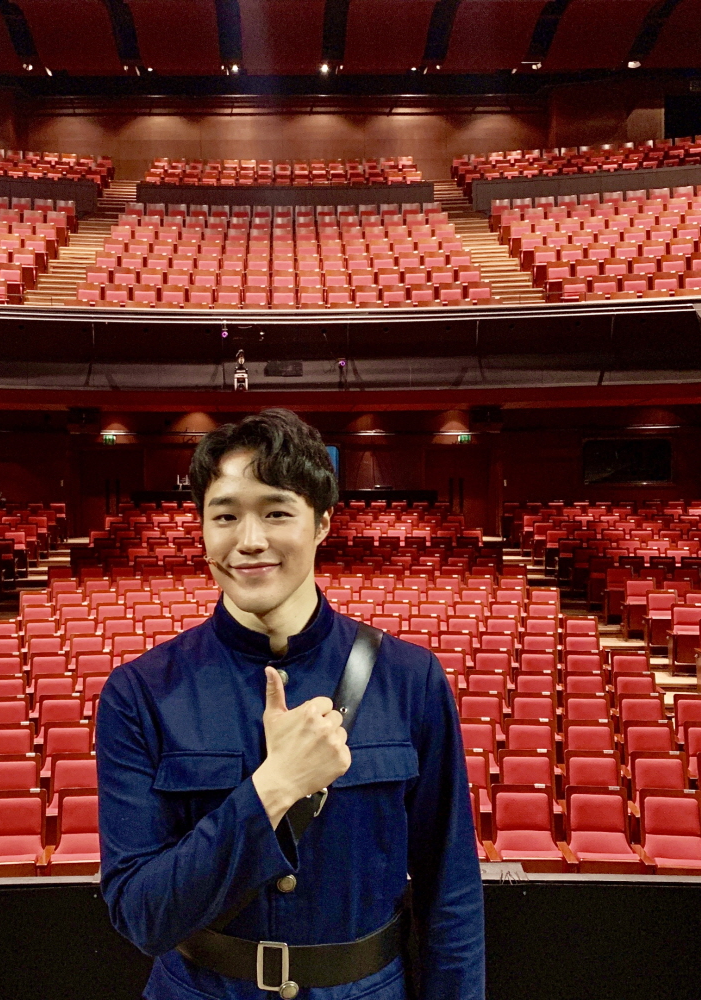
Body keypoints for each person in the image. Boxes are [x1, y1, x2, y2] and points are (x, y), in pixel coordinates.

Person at [96, 408, 485, 1000]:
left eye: (277, 512)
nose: (250, 541)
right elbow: (141, 915)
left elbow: (449, 890)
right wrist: (273, 789)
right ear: (202, 528)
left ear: (323, 522)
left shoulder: (410, 678)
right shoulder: (140, 693)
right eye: (225, 516)